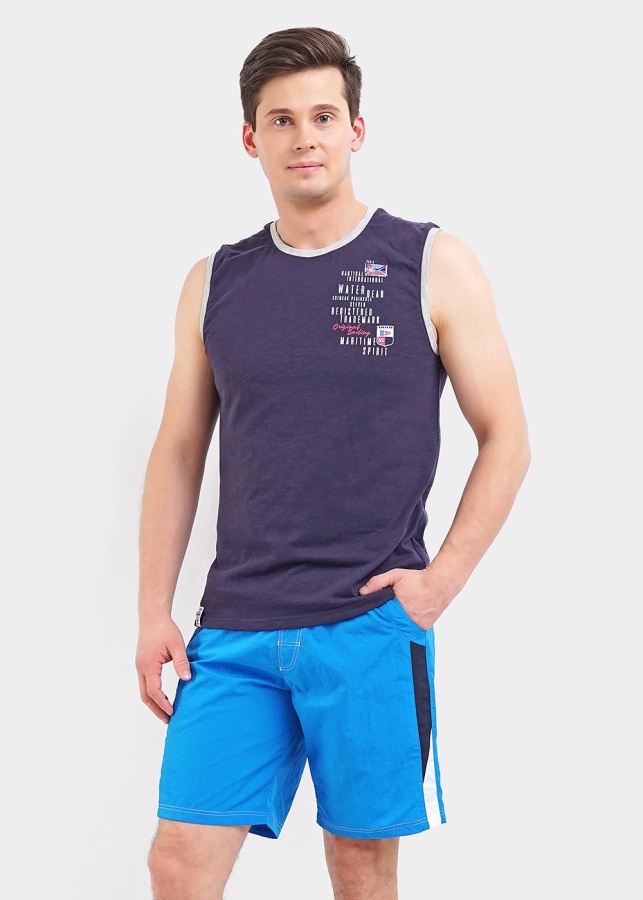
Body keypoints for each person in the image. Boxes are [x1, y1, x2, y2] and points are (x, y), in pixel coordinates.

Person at [135, 25, 531, 900]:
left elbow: (507, 434)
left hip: (368, 626)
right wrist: (151, 608)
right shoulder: (214, 280)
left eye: (322, 116)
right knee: (179, 859)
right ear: (251, 139)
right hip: (232, 630)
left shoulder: (429, 261)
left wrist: (438, 584)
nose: (303, 137)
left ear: (356, 129)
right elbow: (178, 449)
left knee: (360, 867)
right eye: (280, 120)